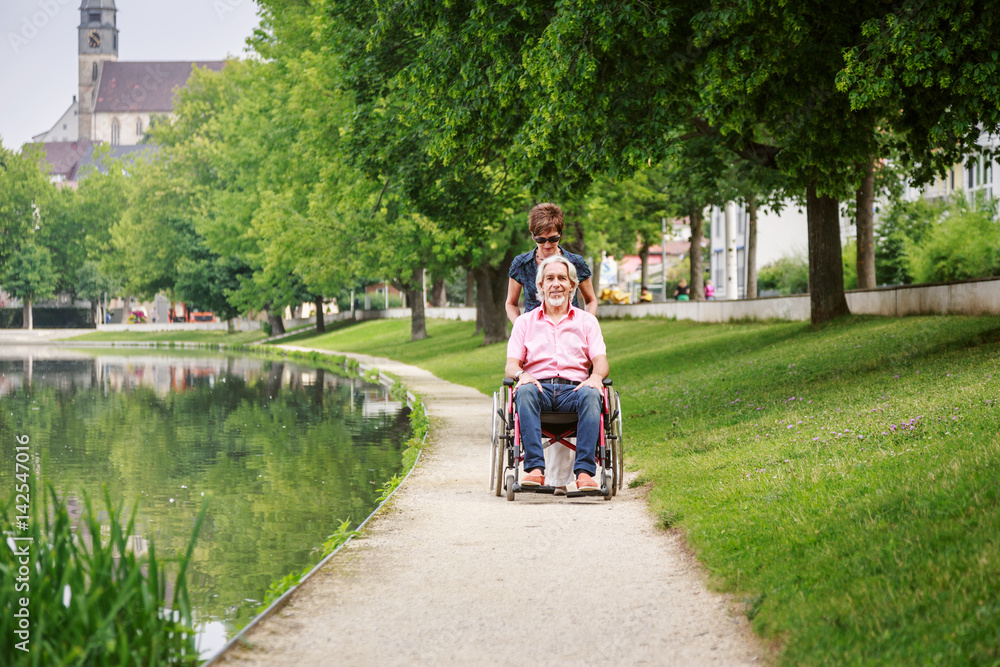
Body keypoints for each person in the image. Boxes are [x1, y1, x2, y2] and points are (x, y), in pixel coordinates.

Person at [505, 254, 609, 494]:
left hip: (574, 390)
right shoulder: (524, 322)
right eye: (549, 278)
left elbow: (601, 361)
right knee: (524, 391)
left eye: (562, 278)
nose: (556, 284)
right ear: (540, 286)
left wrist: (595, 377)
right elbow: (511, 365)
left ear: (572, 285)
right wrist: (522, 375)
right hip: (538, 388)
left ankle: (584, 473)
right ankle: (535, 469)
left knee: (593, 393)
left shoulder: (587, 321)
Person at [505, 202, 598, 325]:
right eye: (541, 240)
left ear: (560, 233)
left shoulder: (575, 262)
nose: (547, 245)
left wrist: (586, 326)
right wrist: (521, 327)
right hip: (534, 331)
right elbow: (511, 303)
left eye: (553, 239)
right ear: (532, 235)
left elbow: (591, 300)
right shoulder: (521, 264)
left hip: (570, 329)